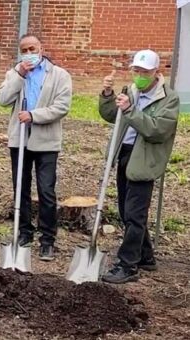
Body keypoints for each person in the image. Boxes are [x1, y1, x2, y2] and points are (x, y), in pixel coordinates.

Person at [99, 49, 179, 284]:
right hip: (124, 154)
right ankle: (145, 256)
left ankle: (128, 264)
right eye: (136, 70)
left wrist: (130, 110)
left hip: (145, 158)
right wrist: (107, 94)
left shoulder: (168, 98)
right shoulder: (131, 91)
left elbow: (156, 130)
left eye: (145, 72)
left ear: (156, 71)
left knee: (134, 214)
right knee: (127, 211)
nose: (139, 75)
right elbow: (112, 116)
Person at [0, 34, 72, 261]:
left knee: (46, 191)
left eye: (32, 48)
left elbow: (62, 107)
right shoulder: (15, 73)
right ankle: (24, 232)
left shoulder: (59, 75)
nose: (29, 52)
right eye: (24, 49)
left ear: (41, 48)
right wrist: (19, 75)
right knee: (21, 188)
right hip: (19, 139)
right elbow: (2, 99)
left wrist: (33, 115)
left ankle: (47, 239)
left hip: (46, 141)